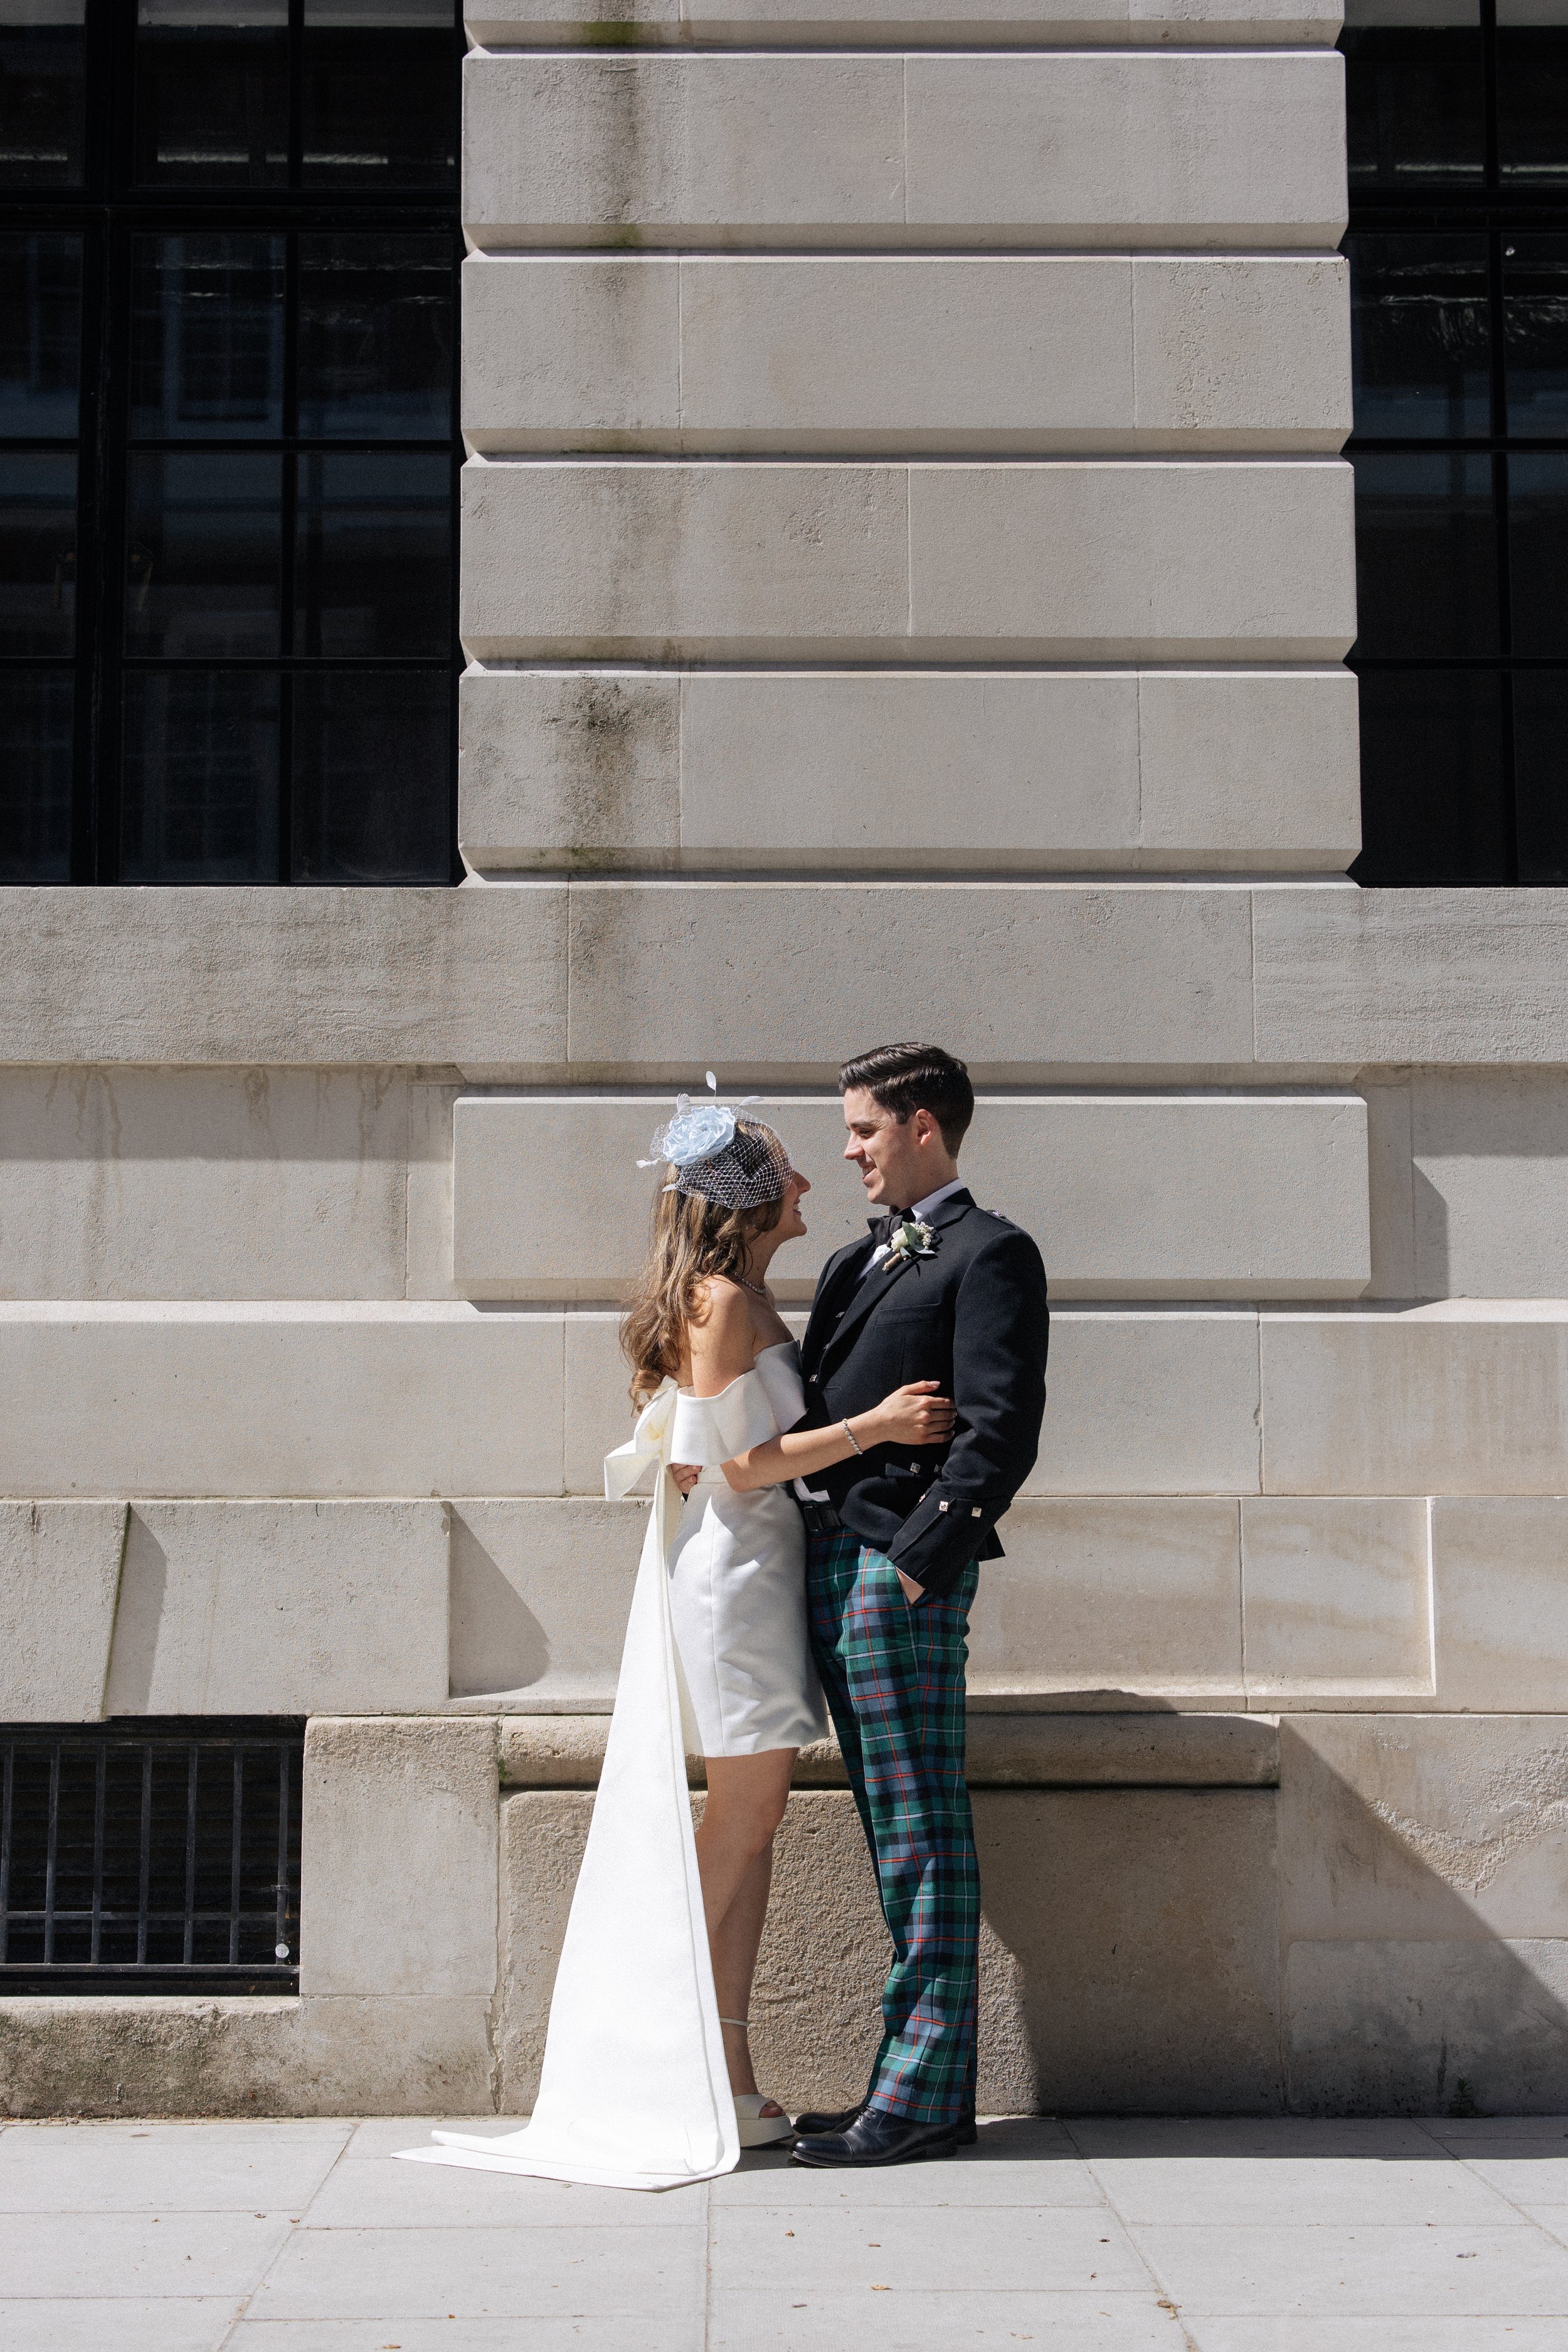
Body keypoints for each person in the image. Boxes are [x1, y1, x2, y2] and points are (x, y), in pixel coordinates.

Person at [399, 1084, 955, 2192]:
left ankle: (728, 2069)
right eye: (788, 1172)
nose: (809, 1183)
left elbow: (723, 1449)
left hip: (755, 1574)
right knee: (743, 1823)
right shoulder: (717, 1301)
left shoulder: (728, 1293)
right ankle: (661, 2049)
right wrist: (878, 1424)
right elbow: (743, 1465)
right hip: (734, 1581)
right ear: (749, 1202)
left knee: (753, 1828)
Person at [787, 1042, 1049, 2171]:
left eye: (863, 1129)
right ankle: (905, 2081)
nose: (848, 1149)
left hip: (896, 1577)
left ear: (925, 1126)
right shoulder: (852, 1263)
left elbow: (999, 1428)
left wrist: (918, 1561)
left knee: (922, 1838)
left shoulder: (994, 1253)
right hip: (825, 1568)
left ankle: (926, 2096)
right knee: (894, 1839)